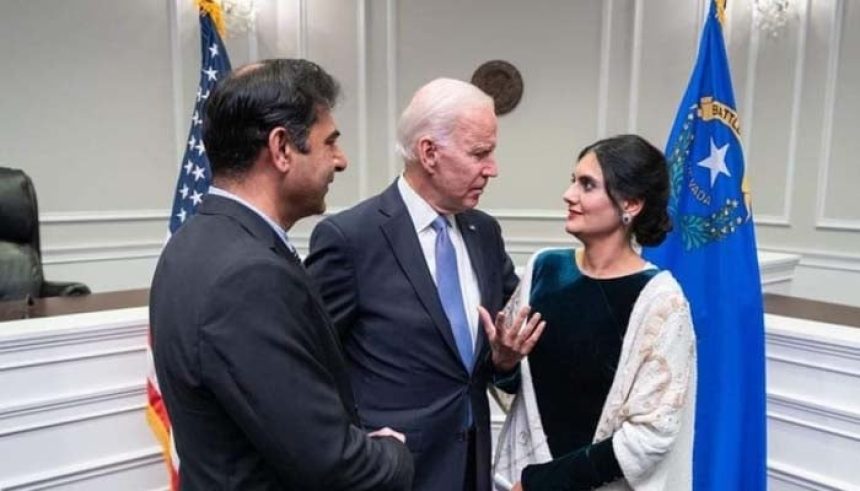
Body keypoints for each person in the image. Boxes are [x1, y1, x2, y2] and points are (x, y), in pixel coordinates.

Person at [149, 59, 413, 490]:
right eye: (330, 142)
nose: (341, 161)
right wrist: (393, 453)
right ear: (281, 148)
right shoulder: (248, 276)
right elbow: (330, 462)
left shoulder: (192, 241)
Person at [305, 78, 544, 491]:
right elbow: (310, 363)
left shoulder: (484, 232)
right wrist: (353, 448)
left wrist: (504, 360)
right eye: (479, 153)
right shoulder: (351, 239)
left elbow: (491, 353)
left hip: (473, 467)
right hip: (390, 474)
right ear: (429, 152)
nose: (493, 168)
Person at [492, 134, 697, 490]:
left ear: (630, 203)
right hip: (517, 476)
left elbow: (651, 434)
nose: (569, 195)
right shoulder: (544, 269)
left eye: (587, 185)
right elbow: (516, 389)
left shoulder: (662, 301)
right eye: (573, 181)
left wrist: (542, 484)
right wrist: (504, 362)